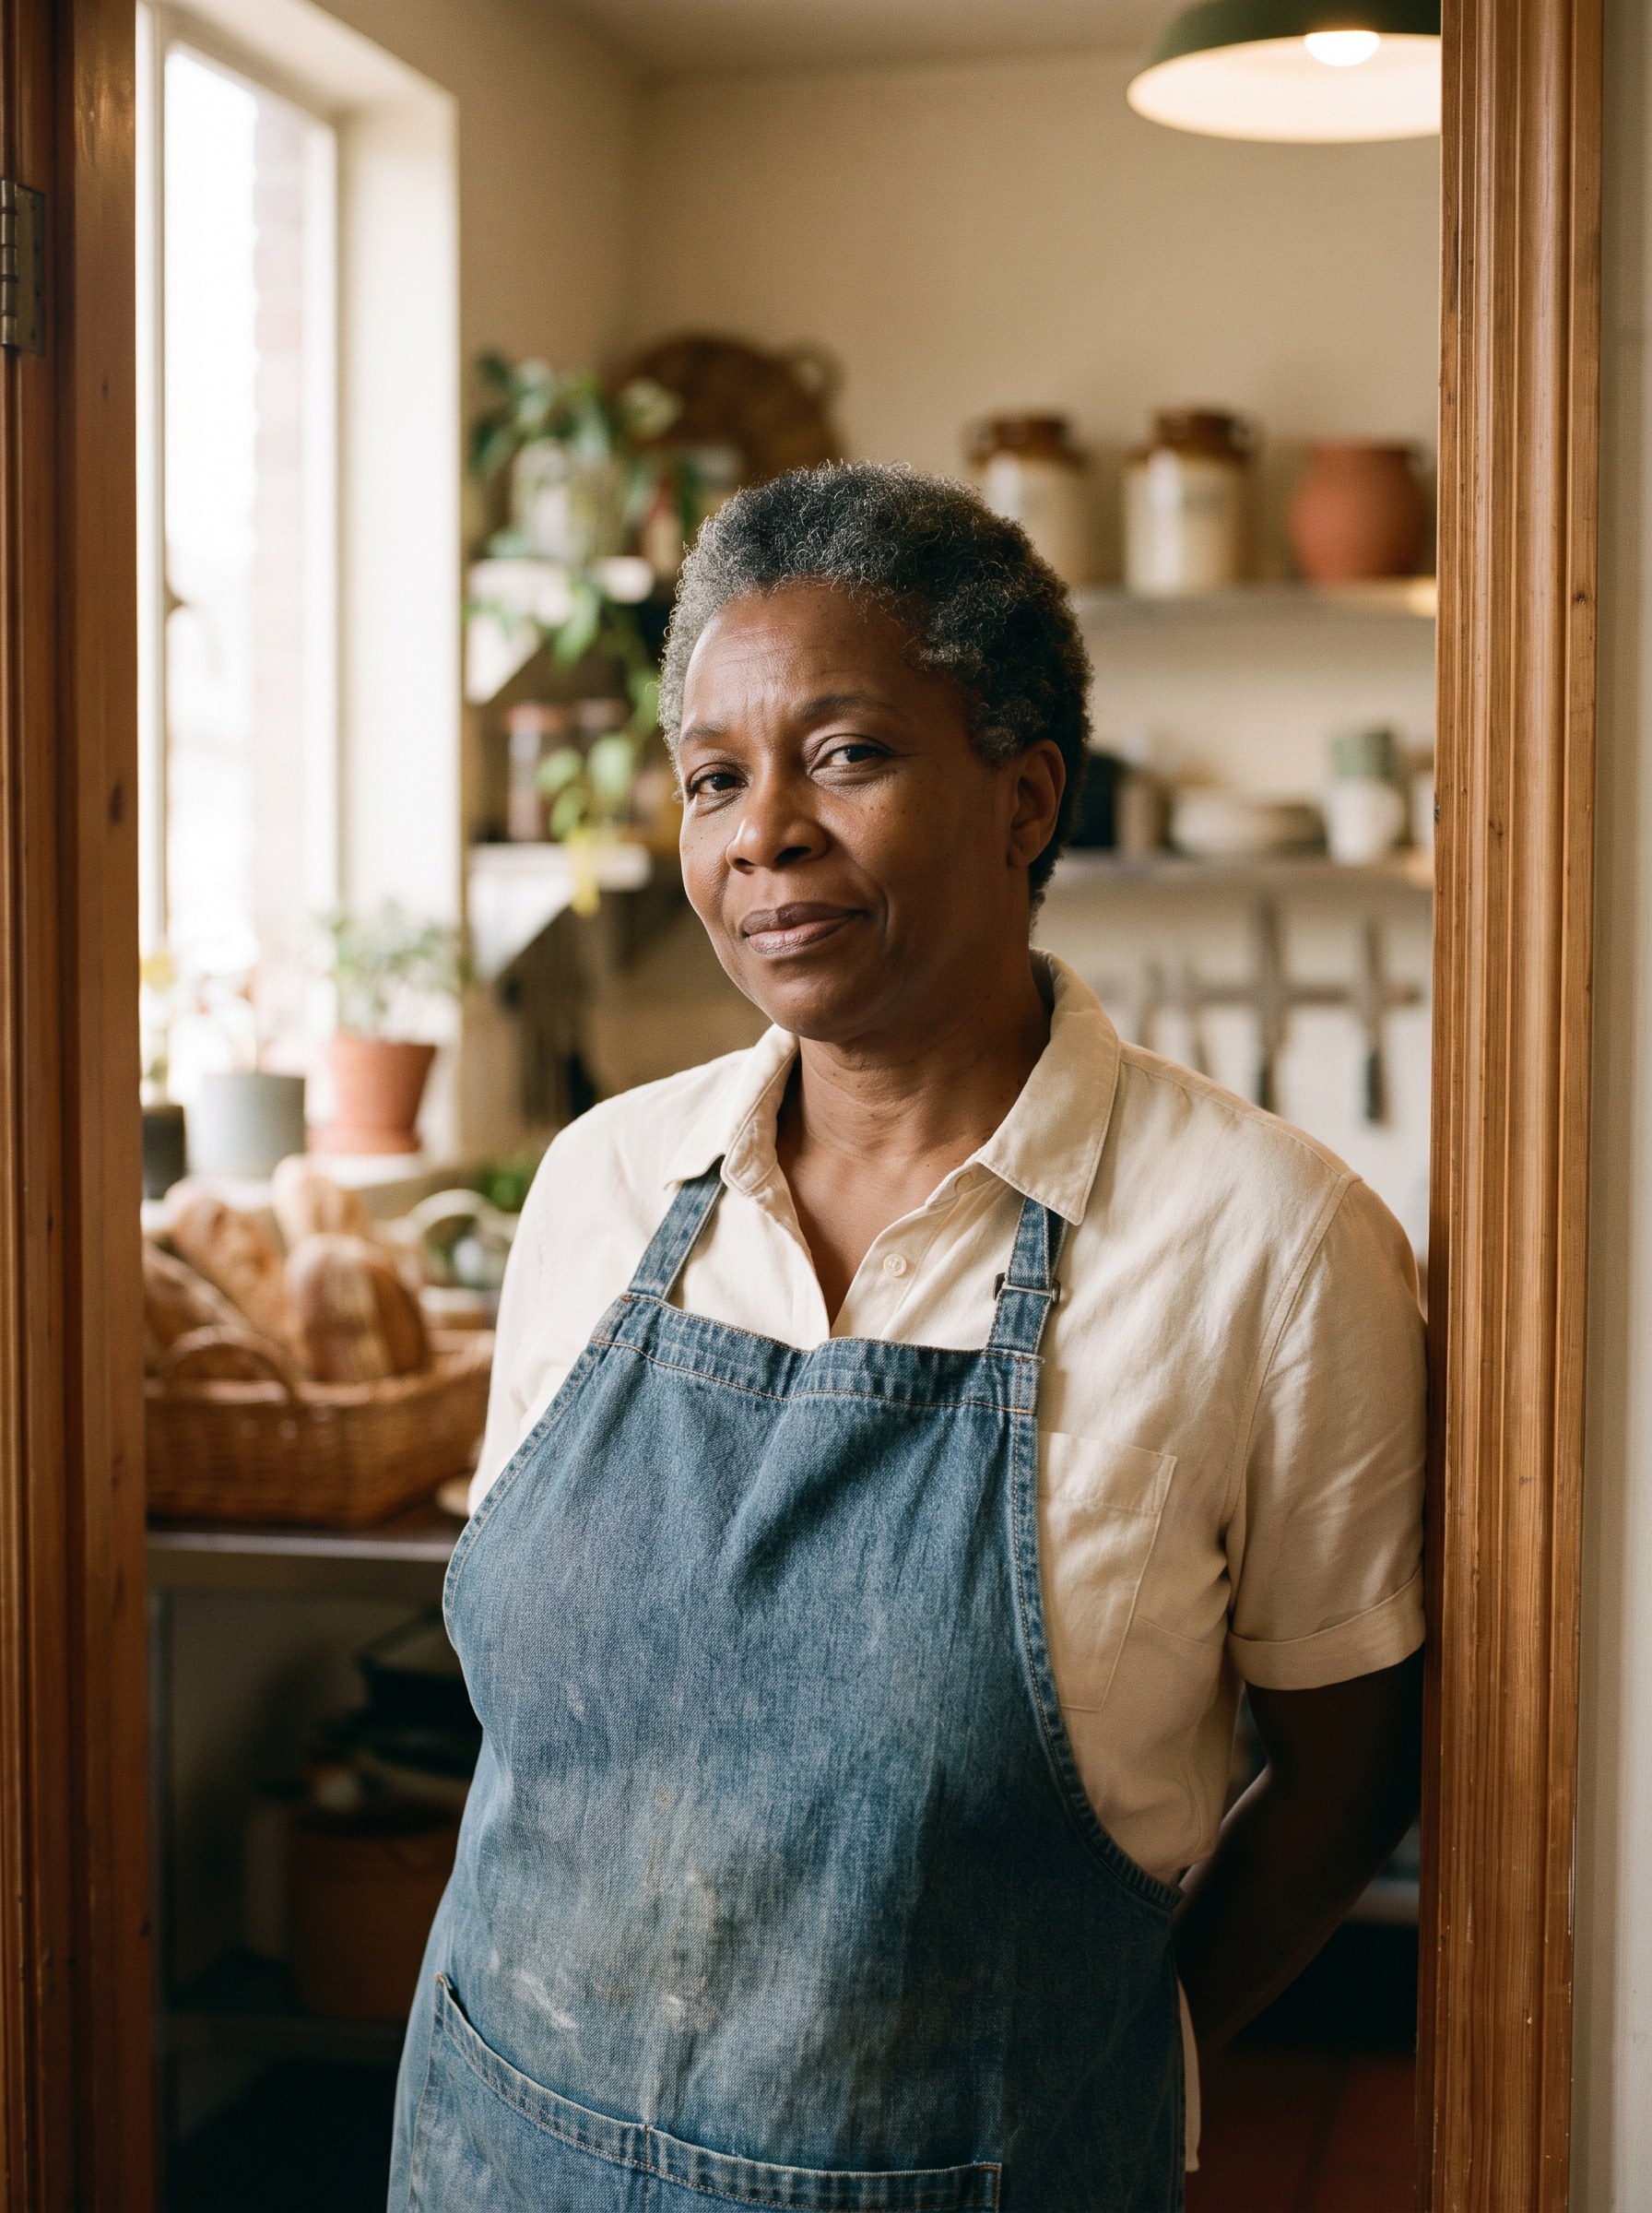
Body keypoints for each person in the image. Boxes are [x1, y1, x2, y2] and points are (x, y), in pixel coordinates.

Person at [389, 463, 1424, 2213]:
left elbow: (1352, 1773)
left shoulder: (1267, 1241)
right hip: (496, 2151)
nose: (762, 832)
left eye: (846, 754)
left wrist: (1116, 2054)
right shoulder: (605, 1183)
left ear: (1027, 797)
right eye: (716, 777)